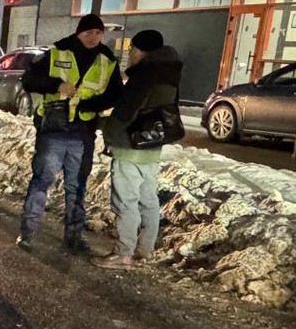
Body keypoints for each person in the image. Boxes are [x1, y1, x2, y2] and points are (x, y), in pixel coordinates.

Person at [17, 13, 121, 253]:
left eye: (97, 33)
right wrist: (56, 85)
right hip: (53, 130)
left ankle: (73, 237)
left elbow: (115, 94)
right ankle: (28, 232)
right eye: (88, 32)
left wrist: (90, 106)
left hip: (83, 133)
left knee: (77, 186)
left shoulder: (107, 59)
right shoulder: (58, 51)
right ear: (78, 32)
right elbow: (29, 80)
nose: (93, 37)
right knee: (41, 181)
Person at [94, 30, 183, 270]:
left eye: (132, 49)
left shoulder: (146, 73)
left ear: (142, 50)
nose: (130, 53)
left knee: (126, 201)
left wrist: (108, 131)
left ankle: (124, 253)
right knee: (148, 199)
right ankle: (145, 249)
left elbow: (127, 110)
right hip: (151, 146)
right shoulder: (169, 72)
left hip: (130, 147)